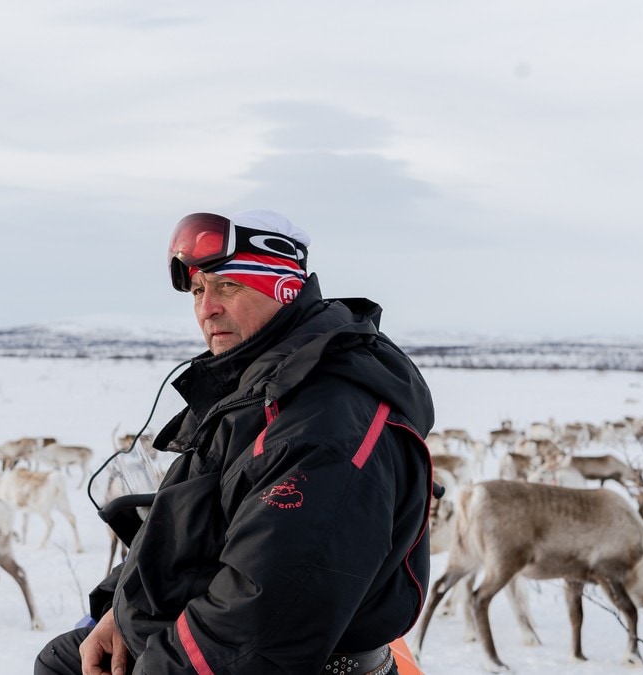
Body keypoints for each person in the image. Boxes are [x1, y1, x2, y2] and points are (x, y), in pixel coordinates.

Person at [35, 209, 435, 675]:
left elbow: (258, 629)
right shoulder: (253, 394)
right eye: (199, 290)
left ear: (285, 290)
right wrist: (118, 611)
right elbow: (187, 521)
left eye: (229, 286)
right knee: (63, 660)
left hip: (278, 661)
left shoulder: (324, 424)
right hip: (186, 629)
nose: (207, 308)